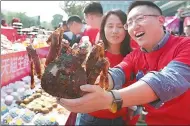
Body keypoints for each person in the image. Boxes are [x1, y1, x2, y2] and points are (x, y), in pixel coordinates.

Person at [58, 1, 190, 125]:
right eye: (130, 23)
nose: (134, 26)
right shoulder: (135, 55)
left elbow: (168, 80)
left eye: (140, 18)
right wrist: (87, 82)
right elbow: (117, 73)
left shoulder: (185, 45)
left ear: (161, 20)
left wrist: (109, 99)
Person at [76, 9, 138, 126]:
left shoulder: (134, 56)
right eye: (110, 26)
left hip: (120, 119)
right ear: (103, 29)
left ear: (127, 29)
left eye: (120, 26)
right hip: (91, 118)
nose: (115, 31)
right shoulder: (93, 55)